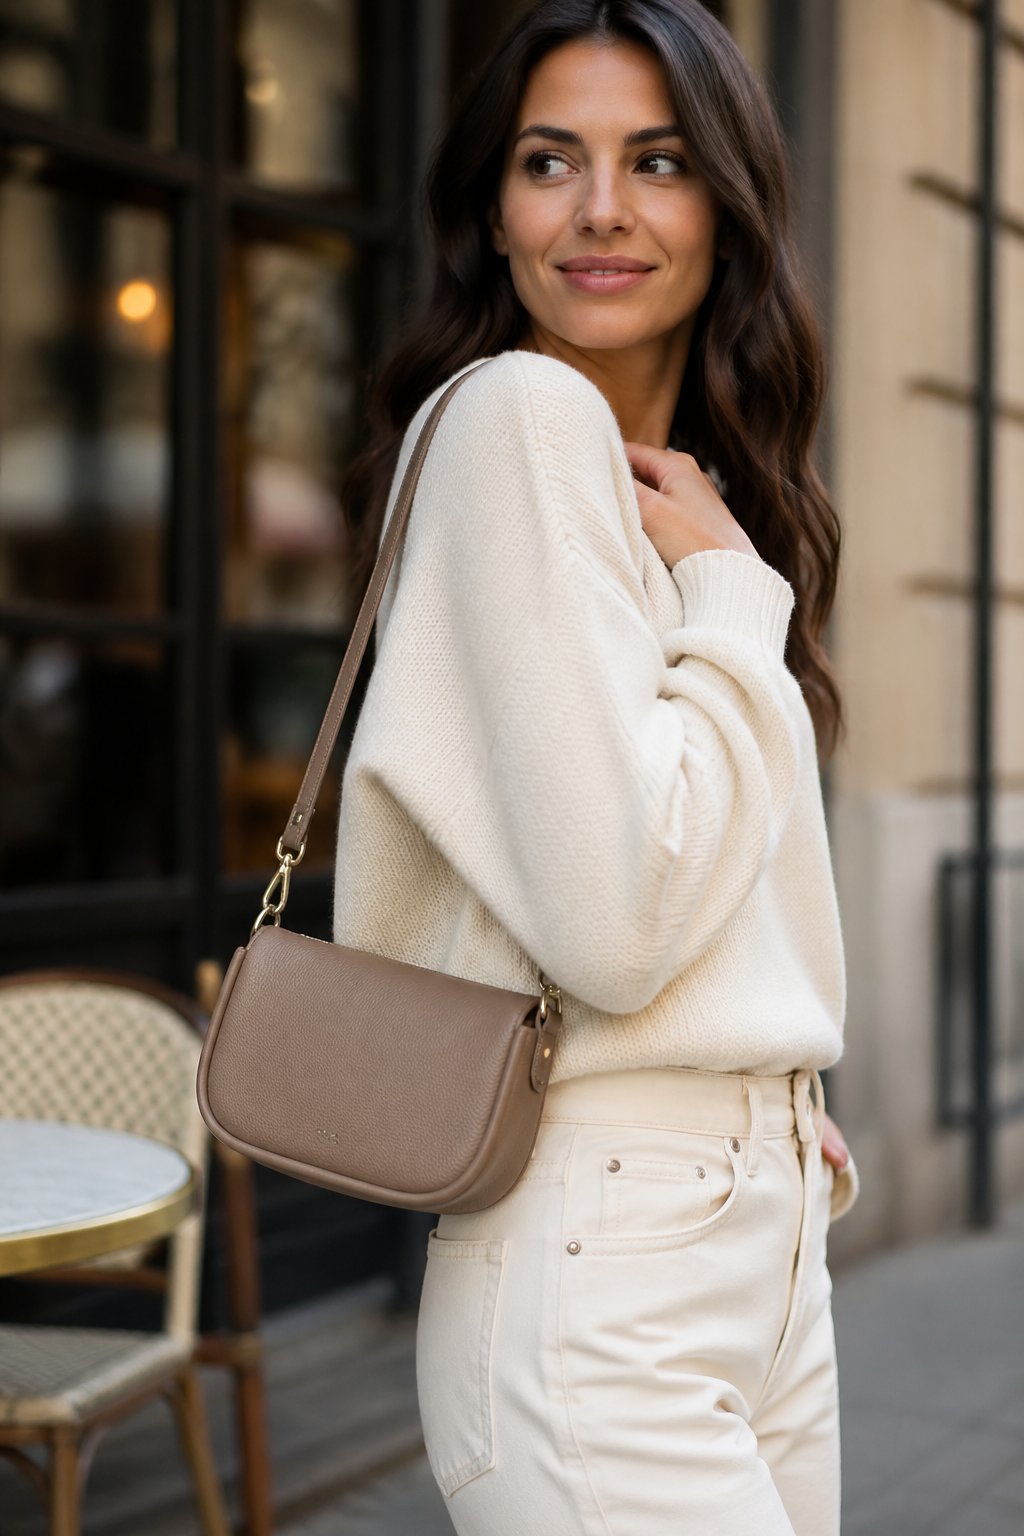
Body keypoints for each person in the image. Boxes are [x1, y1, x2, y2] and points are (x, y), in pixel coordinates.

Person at [334, 2, 859, 1531]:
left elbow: (703, 858)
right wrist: (732, 601)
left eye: (660, 161)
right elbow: (620, 915)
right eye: (549, 161)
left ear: (730, 211)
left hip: (751, 1237)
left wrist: (767, 1072)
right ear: (493, 218)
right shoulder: (518, 421)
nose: (603, 209)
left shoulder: (688, 499)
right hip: (599, 1257)